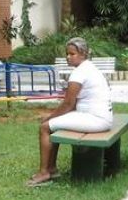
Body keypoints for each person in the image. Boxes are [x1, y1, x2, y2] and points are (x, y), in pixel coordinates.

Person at [28, 37, 113, 187]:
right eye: (67, 54)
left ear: (83, 54)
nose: (68, 57)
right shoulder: (89, 68)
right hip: (101, 117)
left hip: (95, 119)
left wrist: (48, 118)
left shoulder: (79, 73)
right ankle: (52, 169)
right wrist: (54, 118)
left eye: (72, 54)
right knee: (54, 125)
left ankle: (44, 172)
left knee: (45, 127)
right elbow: (72, 105)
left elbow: (68, 104)